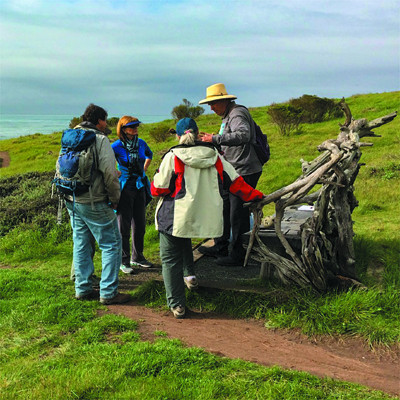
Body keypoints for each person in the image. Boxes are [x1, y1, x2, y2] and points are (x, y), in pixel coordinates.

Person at [151, 118, 264, 319]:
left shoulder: (173, 156)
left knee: (170, 259)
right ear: (197, 133)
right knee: (184, 240)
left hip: (175, 216)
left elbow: (158, 188)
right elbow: (236, 183)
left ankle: (177, 305)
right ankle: (191, 277)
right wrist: (256, 195)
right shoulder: (215, 156)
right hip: (205, 215)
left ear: (178, 136)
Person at [64, 103, 130, 305]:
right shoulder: (100, 139)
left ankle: (82, 288)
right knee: (112, 243)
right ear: (99, 120)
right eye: (105, 120)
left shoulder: (71, 135)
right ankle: (109, 293)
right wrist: (115, 199)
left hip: (71, 198)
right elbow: (110, 174)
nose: (106, 124)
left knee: (81, 242)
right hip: (94, 200)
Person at [198, 83, 263, 267]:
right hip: (234, 170)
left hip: (244, 170)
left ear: (224, 100)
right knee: (224, 208)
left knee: (238, 214)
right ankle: (221, 246)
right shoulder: (229, 115)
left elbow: (243, 134)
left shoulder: (236, 113)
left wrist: (215, 139)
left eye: (213, 103)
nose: (211, 108)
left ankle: (238, 255)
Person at [112, 116, 153, 274]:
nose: (135, 129)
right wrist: (116, 173)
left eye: (136, 126)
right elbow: (105, 163)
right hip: (125, 189)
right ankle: (124, 260)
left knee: (140, 224)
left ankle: (138, 257)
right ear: (123, 129)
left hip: (140, 187)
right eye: (132, 126)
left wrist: (144, 169)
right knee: (123, 226)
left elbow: (149, 154)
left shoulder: (141, 143)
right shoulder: (116, 146)